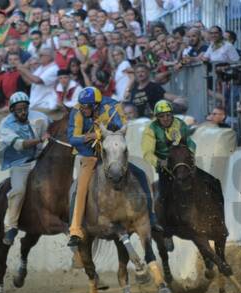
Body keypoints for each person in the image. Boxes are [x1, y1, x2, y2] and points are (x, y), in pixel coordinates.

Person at [66, 87, 163, 248]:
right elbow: (72, 138)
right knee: (80, 188)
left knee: (140, 174)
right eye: (82, 106)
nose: (84, 109)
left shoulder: (112, 106)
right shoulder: (76, 111)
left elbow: (121, 126)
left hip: (111, 155)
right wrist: (89, 136)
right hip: (90, 157)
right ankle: (75, 230)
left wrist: (108, 129)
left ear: (96, 105)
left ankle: (151, 217)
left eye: (87, 107)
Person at [0, 92, 51, 245]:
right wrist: (40, 139)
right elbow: (21, 144)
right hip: (20, 162)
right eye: (19, 110)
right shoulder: (5, 125)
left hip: (41, 158)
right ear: (12, 110)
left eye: (25, 108)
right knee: (18, 189)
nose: (23, 112)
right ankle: (11, 226)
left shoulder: (40, 116)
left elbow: (53, 128)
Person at [141, 100, 197, 234]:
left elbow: (190, 143)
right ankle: (165, 229)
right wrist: (160, 162)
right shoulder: (150, 129)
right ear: (156, 117)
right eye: (161, 116)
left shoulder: (180, 124)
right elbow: (147, 152)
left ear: (172, 114)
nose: (166, 118)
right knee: (165, 196)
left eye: (168, 115)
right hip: (165, 167)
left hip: (183, 164)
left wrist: (189, 155)